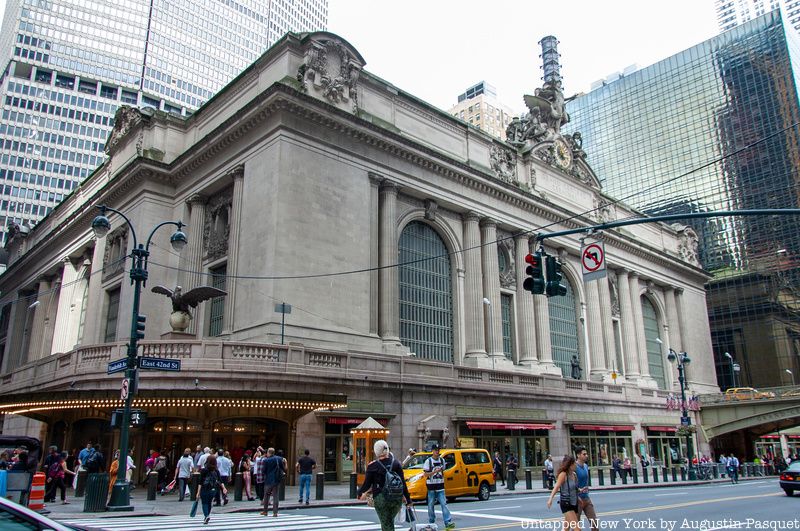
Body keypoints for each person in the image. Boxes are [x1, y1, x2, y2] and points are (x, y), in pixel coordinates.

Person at [357, 439, 413, 531]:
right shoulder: (396, 463)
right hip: (396, 498)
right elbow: (402, 483)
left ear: (376, 451)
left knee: (387, 523)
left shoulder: (372, 466)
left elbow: (367, 484)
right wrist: (408, 499)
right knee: (388, 522)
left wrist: (359, 492)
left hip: (381, 498)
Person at [423, 445, 455, 529]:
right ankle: (431, 522)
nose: (437, 452)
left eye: (438, 450)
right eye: (435, 450)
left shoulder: (442, 460)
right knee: (430, 505)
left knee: (444, 504)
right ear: (432, 451)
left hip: (440, 485)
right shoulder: (428, 461)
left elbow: (443, 470)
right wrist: (435, 472)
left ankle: (447, 522)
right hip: (431, 486)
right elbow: (425, 474)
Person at [546, 455, 579, 530]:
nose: (576, 465)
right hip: (566, 504)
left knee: (566, 528)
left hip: (574, 503)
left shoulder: (574, 475)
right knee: (577, 529)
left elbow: (574, 488)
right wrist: (550, 499)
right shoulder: (563, 475)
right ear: (570, 465)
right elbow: (556, 487)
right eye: (574, 463)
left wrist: (580, 490)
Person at [197, 454, 226, 525]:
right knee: (209, 502)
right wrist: (224, 488)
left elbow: (200, 482)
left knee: (204, 503)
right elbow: (220, 480)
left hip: (205, 489)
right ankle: (207, 515)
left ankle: (206, 515)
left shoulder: (204, 470)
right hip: (213, 489)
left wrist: (198, 492)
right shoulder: (216, 471)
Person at [575, 446, 599, 531]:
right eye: (584, 454)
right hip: (577, 500)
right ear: (578, 455)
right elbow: (571, 484)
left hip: (586, 498)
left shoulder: (585, 466)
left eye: (586, 454)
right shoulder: (574, 467)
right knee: (576, 526)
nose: (586, 455)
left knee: (594, 524)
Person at [259, 447, 285, 517]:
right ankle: (275, 513)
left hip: (268, 480)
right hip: (276, 480)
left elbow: (263, 471)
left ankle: (265, 511)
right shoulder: (279, 459)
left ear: (269, 452)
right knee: (276, 496)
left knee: (266, 495)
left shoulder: (266, 460)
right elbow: (283, 468)